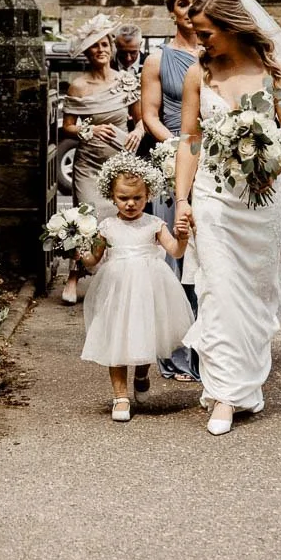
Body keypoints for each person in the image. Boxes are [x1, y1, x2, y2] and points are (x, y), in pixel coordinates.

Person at [174, 0, 281, 436]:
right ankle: (225, 395)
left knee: (251, 296)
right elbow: (190, 140)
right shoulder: (198, 75)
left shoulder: (276, 73)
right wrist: (182, 198)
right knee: (218, 291)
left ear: (231, 28)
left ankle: (243, 385)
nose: (201, 41)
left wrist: (269, 169)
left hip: (260, 201)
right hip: (212, 198)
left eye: (206, 33)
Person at [80, 154, 193, 422]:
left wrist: (183, 238)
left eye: (137, 198)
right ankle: (120, 396)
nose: (130, 204)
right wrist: (77, 251)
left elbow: (175, 252)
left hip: (147, 289)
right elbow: (92, 260)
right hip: (116, 290)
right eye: (123, 198)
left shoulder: (154, 224)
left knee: (144, 334)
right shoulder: (106, 227)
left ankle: (141, 373)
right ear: (112, 195)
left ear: (148, 194)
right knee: (116, 337)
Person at [139, 0, 208, 381]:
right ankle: (174, 352)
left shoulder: (217, 55)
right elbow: (149, 114)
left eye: (197, 2)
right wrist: (175, 149)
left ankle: (208, 351)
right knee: (174, 260)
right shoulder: (158, 60)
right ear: (171, 10)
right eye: (183, 3)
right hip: (173, 166)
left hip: (214, 163)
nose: (190, 10)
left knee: (209, 258)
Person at [60, 14, 145, 304]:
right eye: (95, 45)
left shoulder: (126, 81)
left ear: (112, 48)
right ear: (87, 52)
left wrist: (138, 132)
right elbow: (67, 126)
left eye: (105, 43)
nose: (101, 49)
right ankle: (73, 275)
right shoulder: (78, 86)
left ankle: (113, 281)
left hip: (119, 163)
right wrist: (90, 128)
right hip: (88, 164)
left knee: (118, 220)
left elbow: (142, 119)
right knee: (86, 219)